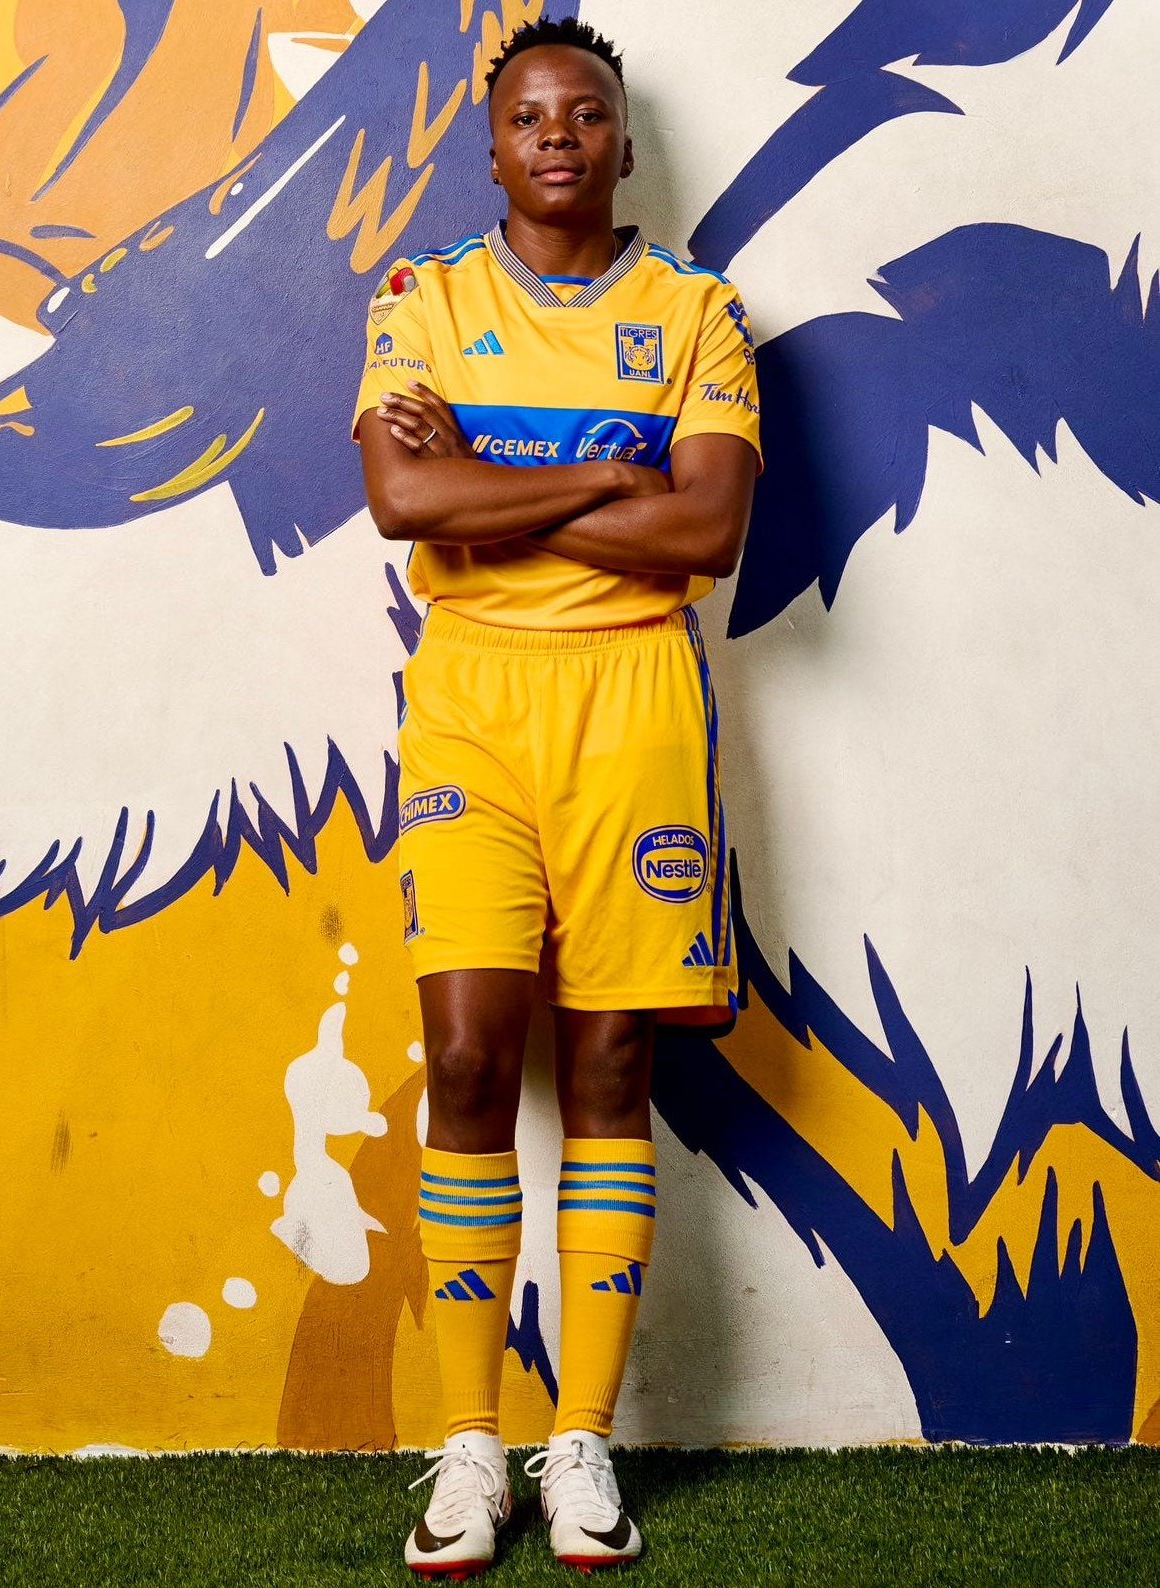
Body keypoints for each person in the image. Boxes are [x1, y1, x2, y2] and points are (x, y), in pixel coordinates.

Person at [350, 14, 762, 1578]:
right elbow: (404, 500)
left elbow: (705, 535)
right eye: (529, 117)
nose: (558, 139)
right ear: (493, 147)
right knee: (467, 1055)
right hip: (472, 700)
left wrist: (500, 493)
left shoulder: (699, 312)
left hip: (635, 701)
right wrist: (607, 476)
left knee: (608, 1059)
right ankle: (471, 1445)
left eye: (584, 115)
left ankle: (577, 1436)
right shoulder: (424, 299)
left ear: (624, 141)